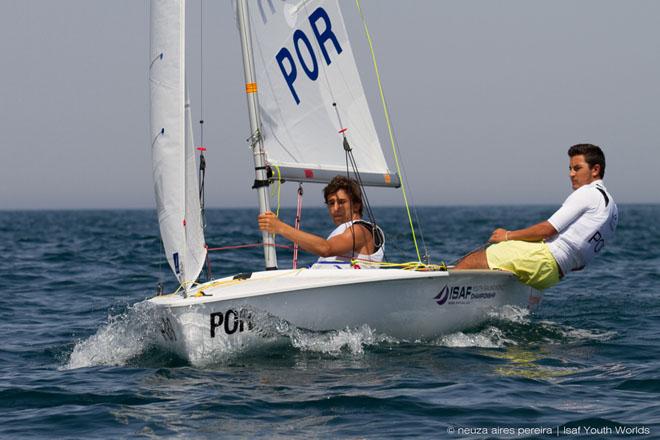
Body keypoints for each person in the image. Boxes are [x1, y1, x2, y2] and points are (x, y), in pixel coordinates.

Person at [455, 143, 618, 290]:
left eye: (577, 168)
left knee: (476, 259)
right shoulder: (613, 210)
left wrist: (506, 236)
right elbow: (581, 265)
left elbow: (548, 230)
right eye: (570, 168)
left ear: (595, 170)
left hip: (543, 258)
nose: (571, 174)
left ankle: (439, 297)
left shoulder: (588, 192)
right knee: (502, 262)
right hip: (554, 274)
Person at [257, 175, 384, 268]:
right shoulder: (343, 231)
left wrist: (280, 227)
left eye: (341, 202)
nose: (335, 209)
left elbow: (326, 249)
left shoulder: (360, 230)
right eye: (331, 203)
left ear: (356, 205)